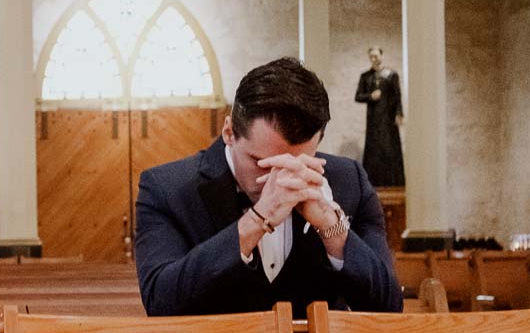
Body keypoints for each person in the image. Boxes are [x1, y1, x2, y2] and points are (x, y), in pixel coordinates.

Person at [135, 57, 400, 317]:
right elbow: (161, 303)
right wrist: (256, 219)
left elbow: (388, 307)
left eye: (296, 163)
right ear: (229, 132)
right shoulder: (166, 188)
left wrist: (333, 229)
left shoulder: (349, 180)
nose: (280, 179)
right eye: (263, 163)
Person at [354, 45, 405, 187]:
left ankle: (394, 183)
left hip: (388, 120)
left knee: (390, 149)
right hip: (373, 120)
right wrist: (370, 96)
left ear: (381, 56)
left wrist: (399, 113)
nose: (374, 59)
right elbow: (358, 96)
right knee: (373, 151)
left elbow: (397, 96)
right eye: (371, 56)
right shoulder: (366, 76)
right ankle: (372, 184)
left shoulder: (391, 75)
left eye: (376, 56)